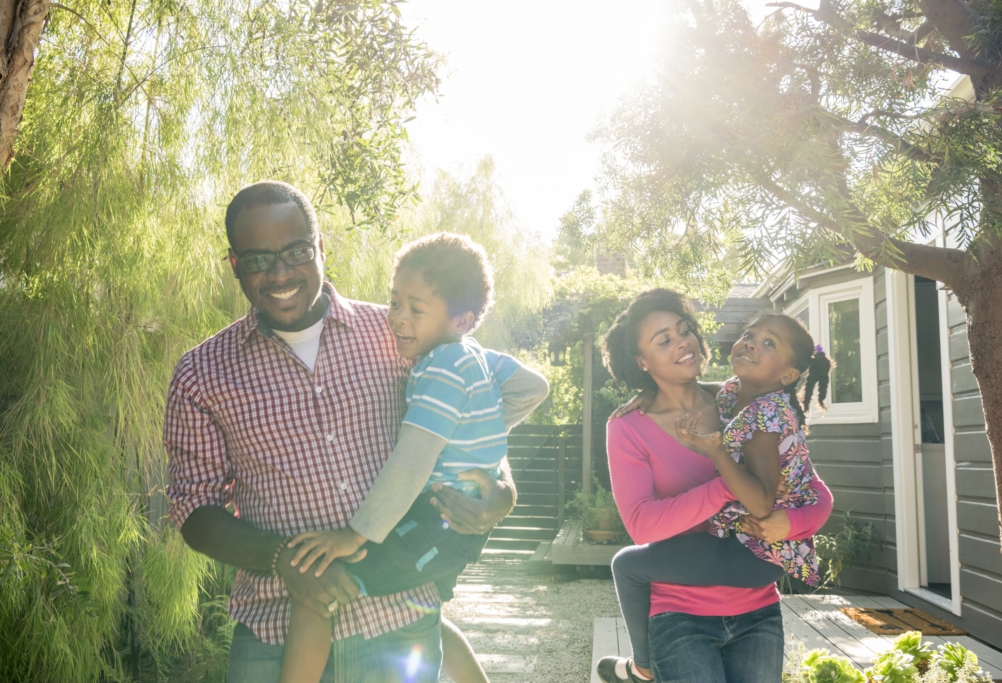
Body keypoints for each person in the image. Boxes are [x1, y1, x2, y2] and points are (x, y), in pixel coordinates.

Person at [164, 182, 547, 683]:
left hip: (400, 623)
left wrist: (501, 490)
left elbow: (465, 413)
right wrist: (283, 560)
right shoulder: (202, 374)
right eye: (257, 259)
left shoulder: (398, 335)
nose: (280, 273)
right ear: (235, 264)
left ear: (321, 248)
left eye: (297, 252)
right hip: (277, 630)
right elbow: (194, 510)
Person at [278, 233, 548, 683]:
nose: (399, 320)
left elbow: (410, 463)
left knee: (319, 589)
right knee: (421, 608)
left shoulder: (441, 368)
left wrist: (353, 535)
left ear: (461, 319)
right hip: (455, 524)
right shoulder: (473, 355)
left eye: (416, 310)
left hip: (433, 518)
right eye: (395, 302)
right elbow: (534, 387)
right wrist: (476, 436)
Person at [594, 289, 834, 683]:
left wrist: (787, 525)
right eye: (664, 340)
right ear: (641, 360)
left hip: (758, 612)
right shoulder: (628, 427)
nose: (682, 342)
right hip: (680, 616)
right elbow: (642, 525)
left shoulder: (736, 400)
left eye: (683, 330)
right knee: (627, 564)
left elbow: (815, 492)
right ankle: (644, 668)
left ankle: (637, 670)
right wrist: (728, 487)